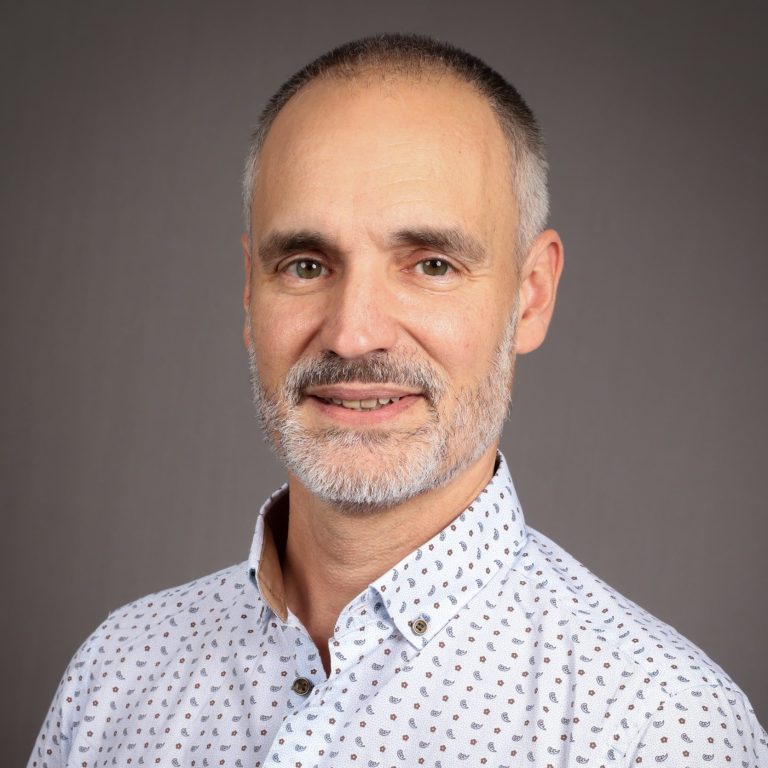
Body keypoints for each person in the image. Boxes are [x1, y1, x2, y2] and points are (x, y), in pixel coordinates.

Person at [29, 34, 766, 768]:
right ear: (251, 293)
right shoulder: (115, 674)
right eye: (307, 264)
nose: (352, 335)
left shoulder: (659, 726)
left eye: (432, 264)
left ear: (532, 295)